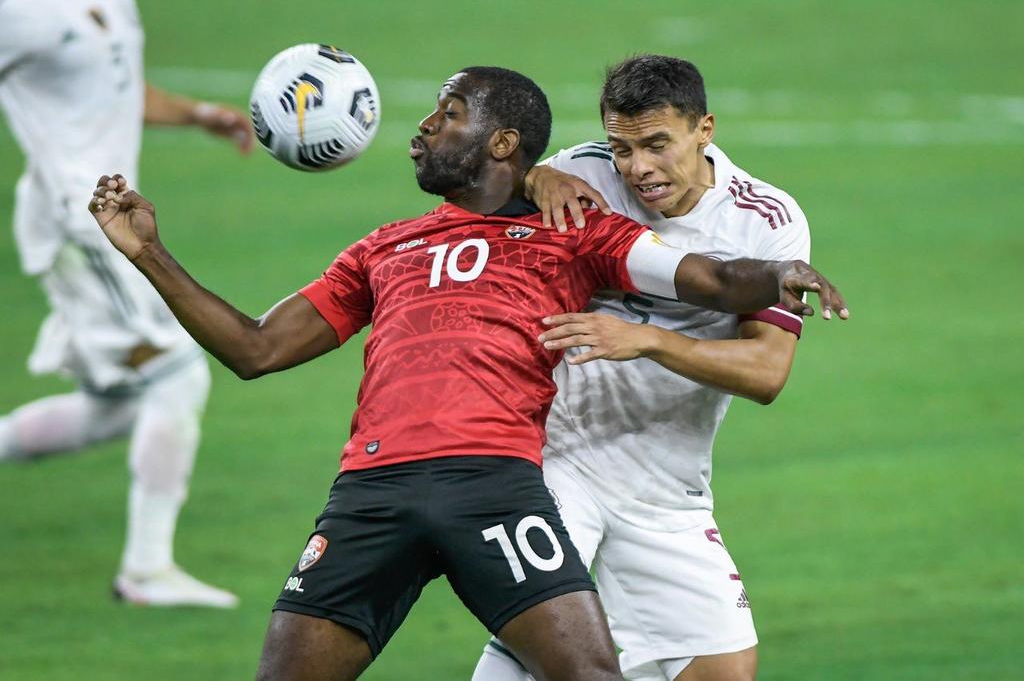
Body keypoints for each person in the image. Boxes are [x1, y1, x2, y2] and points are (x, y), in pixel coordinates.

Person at [86, 65, 845, 679]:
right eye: (622, 149)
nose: (420, 128)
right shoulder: (391, 244)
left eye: (447, 115)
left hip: (567, 483)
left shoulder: (595, 232)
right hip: (444, 483)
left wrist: (778, 277)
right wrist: (148, 252)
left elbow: (718, 291)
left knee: (695, 671)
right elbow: (256, 349)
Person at [472, 55, 834, 681]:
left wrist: (645, 339)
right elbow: (468, 191)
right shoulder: (581, 172)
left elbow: (766, 373)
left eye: (657, 145)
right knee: (543, 652)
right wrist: (531, 180)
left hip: (666, 491)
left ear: (705, 129)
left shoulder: (765, 220)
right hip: (557, 462)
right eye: (622, 147)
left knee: (723, 670)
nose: (638, 168)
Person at [0, 0, 253, 607]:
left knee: (117, 404)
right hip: (75, 218)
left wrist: (195, 114)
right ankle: (145, 571)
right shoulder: (19, 14)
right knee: (178, 372)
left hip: (105, 216)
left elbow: (113, 87)